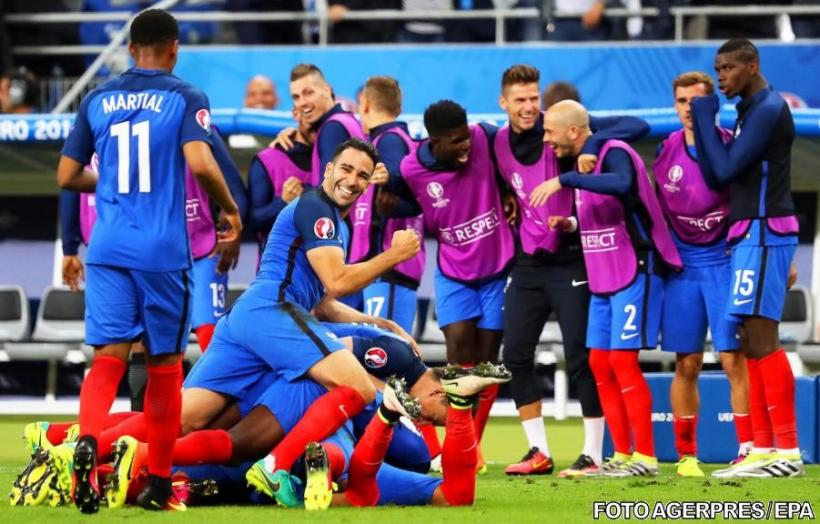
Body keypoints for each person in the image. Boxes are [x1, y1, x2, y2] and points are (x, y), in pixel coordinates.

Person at [56, 9, 243, 512]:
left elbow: (66, 175)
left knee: (107, 361)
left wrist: (110, 185)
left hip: (107, 249)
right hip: (161, 252)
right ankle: (159, 483)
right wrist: (228, 208)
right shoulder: (185, 96)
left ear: (130, 48)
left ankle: (88, 443)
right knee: (164, 367)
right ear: (175, 48)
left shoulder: (96, 98)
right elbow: (201, 162)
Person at [177, 137, 420, 508]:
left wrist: (374, 323)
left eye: (362, 175)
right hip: (273, 311)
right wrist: (395, 254)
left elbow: (321, 301)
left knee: (185, 420)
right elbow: (338, 281)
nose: (352, 180)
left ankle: (98, 450)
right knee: (357, 387)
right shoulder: (317, 209)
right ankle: (275, 467)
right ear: (328, 170)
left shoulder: (335, 224)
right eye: (346, 169)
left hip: (248, 317)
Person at [493, 64, 649, 477]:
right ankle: (538, 452)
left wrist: (592, 143)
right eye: (520, 100)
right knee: (516, 354)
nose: (530, 107)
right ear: (503, 103)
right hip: (528, 262)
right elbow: (501, 179)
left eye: (534, 98)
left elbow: (638, 125)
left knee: (581, 357)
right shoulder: (496, 142)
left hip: (573, 258)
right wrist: (507, 196)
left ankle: (593, 454)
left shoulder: (562, 127)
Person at [530, 100, 682, 477]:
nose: (545, 139)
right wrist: (570, 224)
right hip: (602, 275)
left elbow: (622, 184)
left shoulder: (614, 151)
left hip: (634, 267)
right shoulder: (583, 161)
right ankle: (622, 455)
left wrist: (565, 180)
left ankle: (646, 458)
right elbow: (603, 214)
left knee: (622, 362)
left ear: (573, 132)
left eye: (549, 132)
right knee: (599, 362)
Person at [691, 39, 803, 478]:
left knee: (762, 337)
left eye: (728, 68)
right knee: (748, 341)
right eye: (717, 69)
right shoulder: (747, 111)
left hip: (765, 229)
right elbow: (715, 173)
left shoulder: (769, 108)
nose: (721, 76)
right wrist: (706, 120)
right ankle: (762, 447)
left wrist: (704, 116)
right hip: (748, 233)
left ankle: (787, 451)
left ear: (752, 65)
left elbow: (723, 170)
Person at [400, 100, 515, 471]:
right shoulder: (411, 168)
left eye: (466, 137)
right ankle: (458, 442)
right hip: (453, 271)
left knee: (487, 365)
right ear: (435, 142)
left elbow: (517, 161)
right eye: (457, 141)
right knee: (457, 360)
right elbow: (396, 202)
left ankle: (472, 447)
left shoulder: (486, 137)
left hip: (497, 267)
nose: (466, 144)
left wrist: (507, 190)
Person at [653, 71, 752, 477]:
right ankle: (686, 456)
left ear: (712, 105)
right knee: (687, 364)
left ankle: (748, 450)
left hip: (724, 262)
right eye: (682, 102)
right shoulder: (665, 150)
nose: (689, 109)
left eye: (697, 102)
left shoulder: (733, 147)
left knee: (733, 360)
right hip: (683, 268)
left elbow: (754, 201)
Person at [353, 76, 425, 334]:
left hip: (391, 266)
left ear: (365, 104)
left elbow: (412, 195)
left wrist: (391, 181)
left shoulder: (389, 140)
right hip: (383, 267)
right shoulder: (387, 139)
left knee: (386, 347)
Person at [248, 107, 314, 258]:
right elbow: (252, 221)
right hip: (278, 264)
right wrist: (282, 203)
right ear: (296, 113)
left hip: (327, 265)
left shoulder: (337, 160)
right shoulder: (267, 160)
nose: (317, 126)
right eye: (311, 118)